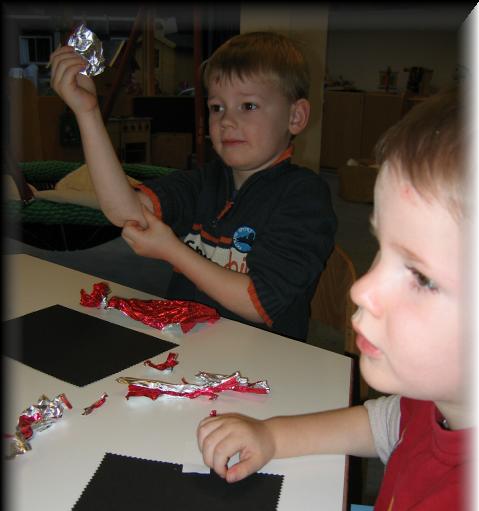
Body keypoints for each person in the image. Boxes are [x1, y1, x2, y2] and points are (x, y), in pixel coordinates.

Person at [197, 87, 474, 511]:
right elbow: (385, 423)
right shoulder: (438, 401)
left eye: (420, 276)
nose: (362, 288)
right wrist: (272, 435)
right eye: (382, 250)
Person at [49, 31, 336, 341]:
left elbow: (259, 303)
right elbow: (125, 213)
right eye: (217, 107)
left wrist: (172, 250)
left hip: (264, 359)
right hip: (188, 347)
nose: (226, 121)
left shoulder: (305, 197)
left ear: (295, 116)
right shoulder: (204, 181)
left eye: (248, 106)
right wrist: (88, 113)